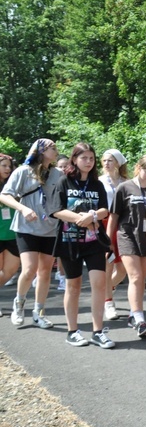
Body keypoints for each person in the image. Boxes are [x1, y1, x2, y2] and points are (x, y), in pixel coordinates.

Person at [50, 142, 114, 348]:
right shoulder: (63, 182)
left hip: (94, 241)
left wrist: (93, 215)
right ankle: (73, 331)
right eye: (84, 157)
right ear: (75, 159)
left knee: (99, 283)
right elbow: (57, 210)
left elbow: (105, 209)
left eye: (91, 158)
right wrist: (80, 218)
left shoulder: (97, 184)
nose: (88, 162)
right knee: (74, 285)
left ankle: (97, 331)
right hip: (70, 242)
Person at [0, 139, 62, 329]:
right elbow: (4, 195)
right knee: (29, 270)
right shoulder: (22, 172)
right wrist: (22, 209)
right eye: (52, 148)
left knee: (44, 272)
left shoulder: (58, 174)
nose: (56, 150)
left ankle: (39, 312)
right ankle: (19, 304)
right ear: (41, 151)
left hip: (50, 228)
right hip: (26, 227)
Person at [107, 154, 146, 338]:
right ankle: (139, 318)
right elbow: (113, 217)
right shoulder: (125, 187)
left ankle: (133, 314)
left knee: (140, 280)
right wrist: (108, 242)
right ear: (138, 168)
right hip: (127, 235)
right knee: (136, 277)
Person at [100, 149, 128, 321]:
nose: (106, 163)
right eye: (104, 160)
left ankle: (107, 288)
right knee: (107, 264)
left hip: (123, 225)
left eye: (110, 160)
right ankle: (108, 302)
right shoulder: (99, 181)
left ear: (118, 162)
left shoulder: (126, 182)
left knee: (123, 269)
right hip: (104, 224)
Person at [0, 154, 21, 296]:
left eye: (9, 166)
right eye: (4, 165)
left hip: (13, 233)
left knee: (10, 270)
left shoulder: (14, 185)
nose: (8, 169)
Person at [54, 155, 69, 291]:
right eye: (60, 166)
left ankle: (63, 277)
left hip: (68, 221)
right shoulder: (53, 179)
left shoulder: (72, 180)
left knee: (62, 251)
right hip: (51, 219)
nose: (63, 168)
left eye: (66, 165)